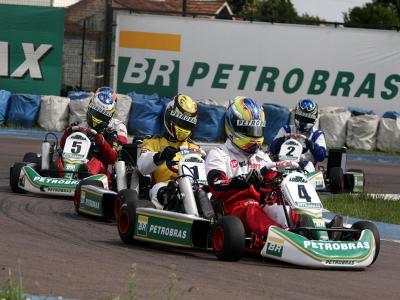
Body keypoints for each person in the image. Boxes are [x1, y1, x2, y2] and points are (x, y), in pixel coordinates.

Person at [206, 96, 289, 240]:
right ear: (233, 127)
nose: (254, 134)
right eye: (249, 129)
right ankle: (283, 238)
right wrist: (242, 180)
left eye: (257, 129)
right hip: (232, 210)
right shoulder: (219, 154)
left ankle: (316, 232)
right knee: (251, 208)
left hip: (259, 206)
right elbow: (216, 184)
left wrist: (283, 180)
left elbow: (272, 180)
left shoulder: (261, 157)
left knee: (285, 208)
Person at [137, 94, 202, 209]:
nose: (184, 127)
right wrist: (160, 156)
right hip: (163, 187)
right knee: (163, 190)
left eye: (188, 124)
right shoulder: (153, 143)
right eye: (181, 123)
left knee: (207, 194)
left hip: (194, 189)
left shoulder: (195, 148)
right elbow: (142, 167)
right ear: (170, 117)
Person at [54, 86, 128, 178]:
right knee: (56, 160)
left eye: (102, 114)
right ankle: (59, 173)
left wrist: (102, 142)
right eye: (95, 111)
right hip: (75, 159)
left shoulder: (114, 129)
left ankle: (84, 175)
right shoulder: (81, 126)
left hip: (97, 164)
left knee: (90, 167)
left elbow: (119, 150)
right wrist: (67, 132)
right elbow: (63, 145)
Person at [270, 98, 326, 170]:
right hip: (284, 165)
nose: (304, 121)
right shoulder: (286, 129)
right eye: (302, 118)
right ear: (296, 116)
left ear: (314, 120)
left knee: (308, 165)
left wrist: (312, 145)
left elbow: (321, 157)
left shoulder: (317, 134)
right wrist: (281, 140)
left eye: (307, 119)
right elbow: (272, 150)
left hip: (305, 169)